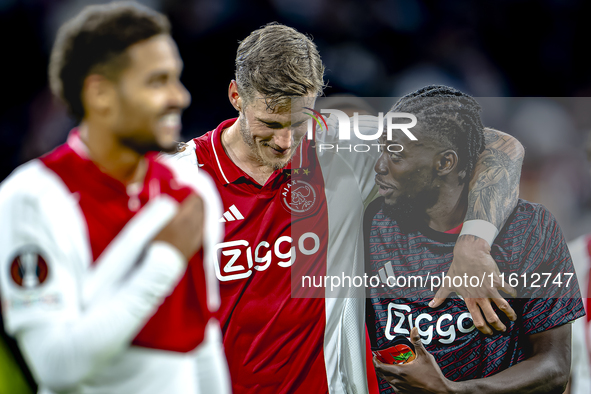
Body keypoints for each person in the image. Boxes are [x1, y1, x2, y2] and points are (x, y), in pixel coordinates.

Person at [171, 23, 526, 393]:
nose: (284, 142)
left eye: (298, 123)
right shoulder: (176, 180)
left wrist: (474, 243)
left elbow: (497, 146)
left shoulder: (340, 144)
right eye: (270, 124)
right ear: (235, 95)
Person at [0, 2, 229, 393]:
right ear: (101, 94)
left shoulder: (191, 187)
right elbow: (56, 366)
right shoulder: (32, 197)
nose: (180, 97)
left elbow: (200, 338)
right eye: (157, 82)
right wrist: (166, 258)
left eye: (176, 78)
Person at [366, 85, 585, 393]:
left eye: (397, 155)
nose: (379, 166)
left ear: (445, 164)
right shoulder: (370, 225)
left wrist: (452, 391)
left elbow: (555, 367)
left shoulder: (530, 227)